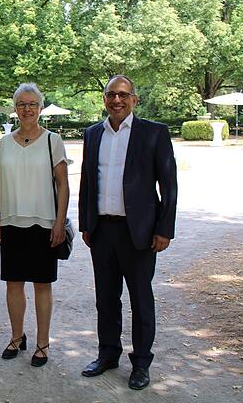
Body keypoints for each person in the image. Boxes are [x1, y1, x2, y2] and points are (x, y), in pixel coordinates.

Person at [79, 75, 178, 390]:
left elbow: (169, 186)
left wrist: (164, 229)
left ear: (134, 99)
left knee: (140, 299)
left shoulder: (154, 133)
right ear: (105, 99)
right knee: (106, 299)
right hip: (102, 230)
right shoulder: (93, 134)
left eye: (123, 95)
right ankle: (108, 354)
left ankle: (142, 363)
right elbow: (87, 182)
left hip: (139, 233)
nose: (116, 100)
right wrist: (85, 224)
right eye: (111, 95)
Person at [0, 83, 71, 366]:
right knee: (13, 283)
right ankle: (16, 336)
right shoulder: (5, 142)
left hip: (44, 223)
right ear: (15, 108)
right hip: (11, 222)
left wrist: (59, 222)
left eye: (32, 104)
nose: (27, 109)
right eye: (22, 104)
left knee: (42, 285)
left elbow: (63, 184)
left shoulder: (52, 141)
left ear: (40, 108)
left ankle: (43, 343)